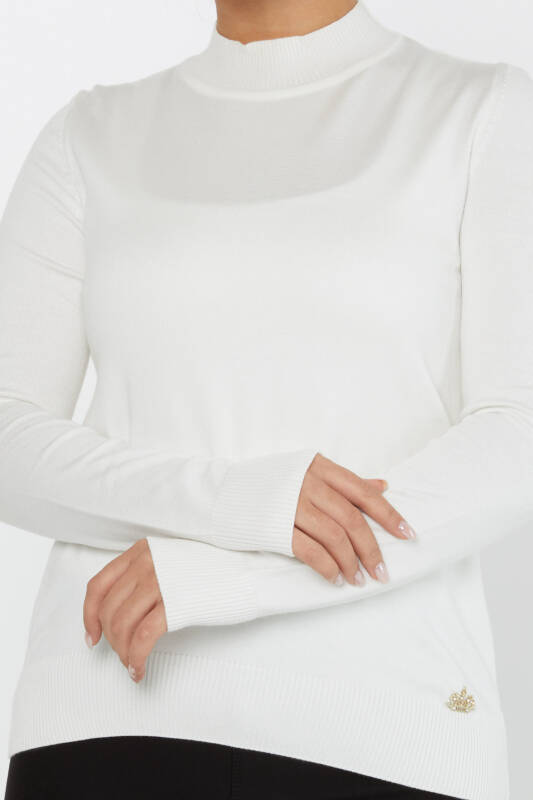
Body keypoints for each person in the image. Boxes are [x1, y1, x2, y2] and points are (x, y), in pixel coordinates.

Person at [2, 0, 532, 797]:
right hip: (102, 715)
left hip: (384, 722)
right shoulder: (91, 134)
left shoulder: (480, 110)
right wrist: (244, 504)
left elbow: (516, 436)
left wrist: (219, 580)